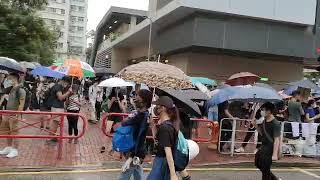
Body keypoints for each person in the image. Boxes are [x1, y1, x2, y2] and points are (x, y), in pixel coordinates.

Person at [147, 96, 191, 180]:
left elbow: (168, 152)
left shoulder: (165, 128)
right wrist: (152, 125)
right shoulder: (169, 124)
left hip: (162, 163)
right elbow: (157, 140)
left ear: (163, 108)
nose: (155, 108)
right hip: (161, 161)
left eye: (157, 106)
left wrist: (173, 174)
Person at [118, 89, 153, 180]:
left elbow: (125, 123)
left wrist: (132, 156)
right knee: (137, 171)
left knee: (124, 174)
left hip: (135, 151)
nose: (135, 98)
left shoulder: (140, 116)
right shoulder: (143, 114)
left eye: (138, 96)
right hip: (137, 150)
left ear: (144, 101)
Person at [0, 72, 26, 158]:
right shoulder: (11, 89)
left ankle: (15, 150)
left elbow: (21, 104)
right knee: (7, 131)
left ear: (14, 79)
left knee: (15, 132)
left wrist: (17, 114)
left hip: (14, 114)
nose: (8, 80)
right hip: (7, 113)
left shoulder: (21, 90)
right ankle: (8, 147)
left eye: (9, 78)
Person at [254, 102, 281, 180]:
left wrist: (275, 154)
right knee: (258, 163)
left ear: (269, 111)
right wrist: (255, 125)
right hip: (263, 146)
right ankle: (274, 178)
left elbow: (277, 139)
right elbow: (262, 133)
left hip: (269, 148)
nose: (262, 112)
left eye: (263, 110)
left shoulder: (275, 123)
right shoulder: (264, 121)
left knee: (265, 170)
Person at [46, 77, 72, 145]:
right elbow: (60, 97)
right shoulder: (58, 87)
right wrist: (68, 92)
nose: (66, 85)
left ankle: (52, 137)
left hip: (57, 107)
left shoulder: (58, 86)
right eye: (66, 83)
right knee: (55, 123)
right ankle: (49, 139)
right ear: (63, 81)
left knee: (56, 123)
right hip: (56, 107)